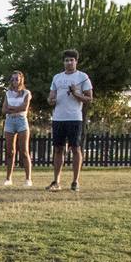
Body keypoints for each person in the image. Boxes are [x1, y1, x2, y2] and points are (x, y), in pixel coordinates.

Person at [46, 49, 93, 192]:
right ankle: (56, 181)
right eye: (66, 60)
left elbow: (89, 98)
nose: (69, 62)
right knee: (58, 149)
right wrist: (51, 100)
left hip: (74, 118)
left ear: (76, 62)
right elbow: (51, 97)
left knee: (76, 149)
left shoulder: (82, 77)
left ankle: (75, 181)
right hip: (59, 118)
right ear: (63, 62)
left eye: (71, 60)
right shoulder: (57, 78)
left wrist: (76, 93)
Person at [1, 70, 32, 186]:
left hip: (21, 121)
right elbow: (4, 109)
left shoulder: (26, 93)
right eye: (12, 79)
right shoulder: (8, 93)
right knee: (10, 151)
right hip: (9, 121)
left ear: (21, 80)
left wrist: (11, 108)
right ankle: (8, 178)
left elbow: (24, 108)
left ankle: (28, 179)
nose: (14, 81)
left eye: (17, 79)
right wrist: (13, 108)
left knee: (24, 151)